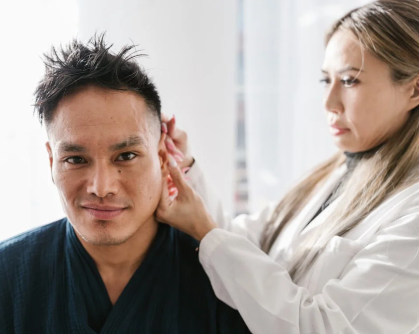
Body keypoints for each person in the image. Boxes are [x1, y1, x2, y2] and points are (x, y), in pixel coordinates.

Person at [0, 36, 250, 333]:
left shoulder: (222, 285)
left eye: (126, 155)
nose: (101, 187)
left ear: (162, 155)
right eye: (76, 159)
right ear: (52, 162)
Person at [157, 1, 419, 333]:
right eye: (326, 80)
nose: (329, 102)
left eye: (350, 81)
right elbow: (242, 249)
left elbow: (321, 327)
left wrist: (206, 233)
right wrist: (186, 167)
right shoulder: (335, 174)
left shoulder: (412, 218)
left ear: (414, 89)